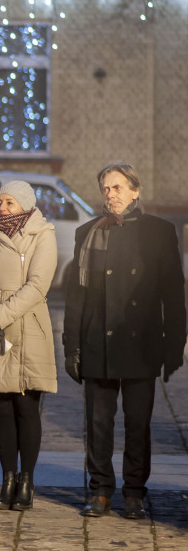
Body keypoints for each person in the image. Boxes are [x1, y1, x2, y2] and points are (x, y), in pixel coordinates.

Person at [63, 162, 186, 519]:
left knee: (138, 424)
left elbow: (172, 293)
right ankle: (100, 490)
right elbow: (76, 296)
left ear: (135, 191)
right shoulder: (88, 232)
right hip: (97, 340)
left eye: (117, 187)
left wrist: (174, 344)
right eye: (105, 188)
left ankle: (134, 492)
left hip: (141, 342)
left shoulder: (159, 231)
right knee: (98, 424)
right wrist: (72, 347)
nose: (110, 194)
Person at [0, 180, 58, 511]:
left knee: (26, 407)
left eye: (9, 203)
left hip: (27, 327)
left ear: (24, 205)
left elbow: (37, 286)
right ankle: (7, 478)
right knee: (2, 409)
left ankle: (27, 480)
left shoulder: (42, 234)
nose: (2, 208)